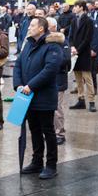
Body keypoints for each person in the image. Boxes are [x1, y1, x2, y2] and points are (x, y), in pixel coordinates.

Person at [13, 15, 64, 178]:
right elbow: (18, 65)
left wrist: (30, 86)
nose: (28, 28)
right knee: (34, 129)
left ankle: (51, 165)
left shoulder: (52, 46)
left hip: (44, 96)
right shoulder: (28, 43)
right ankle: (36, 161)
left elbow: (50, 70)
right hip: (27, 96)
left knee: (47, 131)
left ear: (41, 28)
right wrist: (19, 85)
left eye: (32, 25)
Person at [67, 1, 97, 111]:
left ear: (81, 7)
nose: (74, 8)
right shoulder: (74, 20)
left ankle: (92, 101)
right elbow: (70, 36)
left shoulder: (89, 21)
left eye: (76, 6)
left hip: (84, 53)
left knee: (87, 78)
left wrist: (78, 50)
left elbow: (87, 38)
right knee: (78, 78)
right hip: (75, 53)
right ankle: (81, 100)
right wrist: (72, 47)